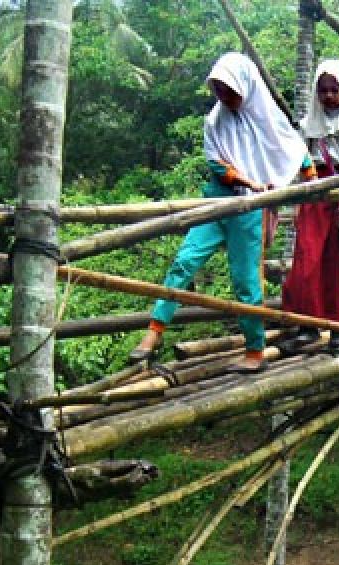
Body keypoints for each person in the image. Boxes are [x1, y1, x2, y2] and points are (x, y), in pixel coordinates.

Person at [129, 52, 307, 374]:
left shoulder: (268, 118)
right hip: (216, 202)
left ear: (246, 87)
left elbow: (295, 153)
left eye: (230, 90)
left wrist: (313, 183)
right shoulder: (215, 121)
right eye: (218, 90)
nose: (224, 97)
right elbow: (217, 165)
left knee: (245, 281)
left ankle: (255, 351)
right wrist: (252, 182)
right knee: (185, 261)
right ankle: (153, 333)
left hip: (247, 211)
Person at [278, 59, 339, 353]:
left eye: (335, 89)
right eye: (323, 90)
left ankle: (336, 328)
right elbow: (298, 156)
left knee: (337, 263)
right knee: (307, 259)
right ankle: (308, 326)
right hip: (315, 193)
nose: (329, 95)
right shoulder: (309, 124)